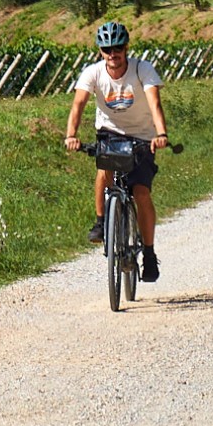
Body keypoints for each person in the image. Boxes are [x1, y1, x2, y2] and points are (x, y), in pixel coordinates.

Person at [65, 20, 171, 283]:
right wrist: (71, 135)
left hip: (143, 136)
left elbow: (155, 103)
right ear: (101, 51)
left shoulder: (142, 69)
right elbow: (78, 104)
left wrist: (161, 134)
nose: (113, 54)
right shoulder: (93, 73)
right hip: (110, 132)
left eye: (118, 47)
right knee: (104, 169)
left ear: (126, 48)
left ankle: (148, 253)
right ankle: (102, 221)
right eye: (108, 49)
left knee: (141, 192)